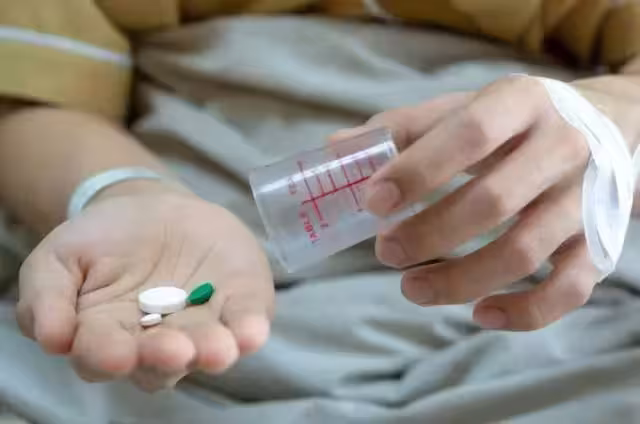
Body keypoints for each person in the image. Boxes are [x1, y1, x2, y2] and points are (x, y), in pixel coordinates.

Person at [0, 0, 639, 393]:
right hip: (196, 219)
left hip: (544, 277)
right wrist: (122, 192)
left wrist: (613, 118)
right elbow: (31, 94)